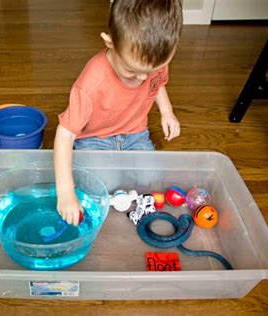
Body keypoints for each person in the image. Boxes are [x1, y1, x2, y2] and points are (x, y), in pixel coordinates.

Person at [54, 0, 183, 225]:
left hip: (135, 134)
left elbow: (158, 83)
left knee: (152, 178)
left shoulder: (152, 59)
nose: (143, 78)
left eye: (150, 70)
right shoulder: (92, 82)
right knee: (105, 183)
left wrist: (167, 111)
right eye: (132, 70)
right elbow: (65, 134)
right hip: (95, 140)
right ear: (110, 42)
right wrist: (65, 192)